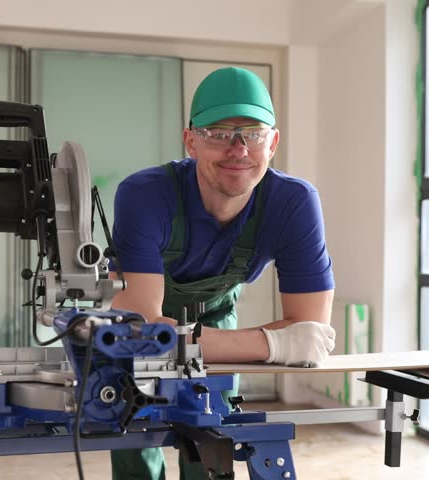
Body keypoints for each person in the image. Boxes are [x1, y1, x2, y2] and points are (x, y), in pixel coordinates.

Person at [109, 67, 336, 480]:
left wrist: (186, 341)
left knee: (210, 436)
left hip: (215, 315)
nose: (238, 149)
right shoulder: (144, 195)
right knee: (135, 432)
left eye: (253, 133)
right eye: (218, 133)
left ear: (273, 143)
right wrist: (273, 342)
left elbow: (311, 332)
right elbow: (141, 333)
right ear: (191, 140)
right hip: (138, 333)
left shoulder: (293, 202)